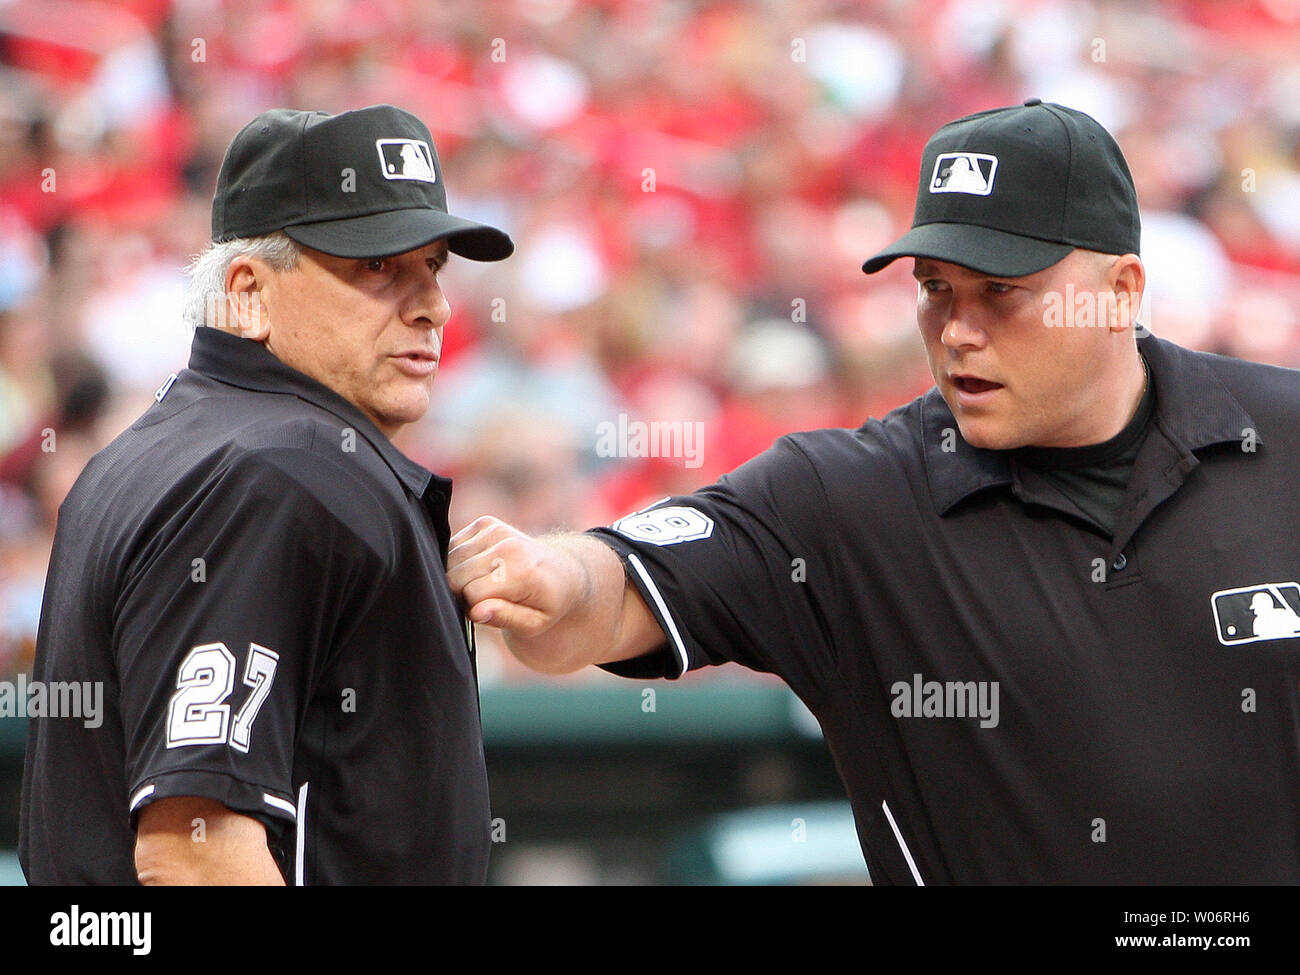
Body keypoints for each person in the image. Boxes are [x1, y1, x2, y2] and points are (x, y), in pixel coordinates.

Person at [448, 100, 1300, 884]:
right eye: (935, 290)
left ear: (1120, 293)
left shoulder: (1283, 437)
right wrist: (552, 578)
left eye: (1003, 291)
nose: (958, 330)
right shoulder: (849, 498)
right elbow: (616, 590)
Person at [20, 104, 513, 884]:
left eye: (434, 266)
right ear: (247, 288)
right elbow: (192, 850)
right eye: (377, 266)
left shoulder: (157, 446)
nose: (433, 305)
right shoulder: (283, 471)